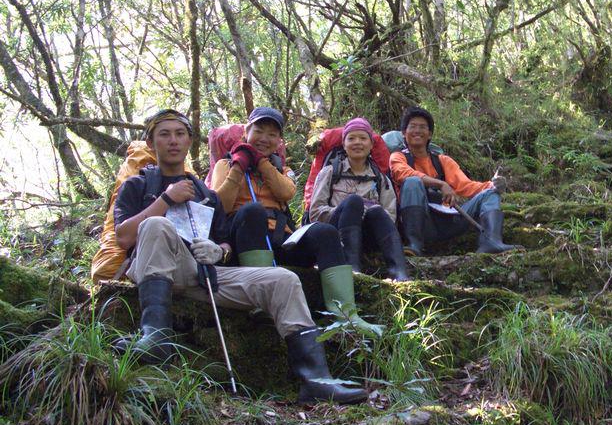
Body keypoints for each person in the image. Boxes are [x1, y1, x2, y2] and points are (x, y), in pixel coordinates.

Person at [114, 108, 367, 404]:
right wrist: (166, 199)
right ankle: (155, 335)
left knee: (283, 280)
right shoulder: (138, 185)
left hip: (202, 275)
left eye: (180, 134)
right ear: (151, 142)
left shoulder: (204, 193)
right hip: (155, 270)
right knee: (156, 225)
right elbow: (124, 237)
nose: (173, 141)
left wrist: (219, 251)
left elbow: (224, 241)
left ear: (189, 141)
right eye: (164, 135)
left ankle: (316, 379)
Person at [209, 107, 382, 336]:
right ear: (246, 131)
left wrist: (261, 163)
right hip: (245, 239)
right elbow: (220, 205)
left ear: (279, 141)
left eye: (272, 134)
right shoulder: (225, 165)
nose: (264, 138)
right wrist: (239, 167)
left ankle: (346, 315)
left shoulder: (282, 169)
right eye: (259, 131)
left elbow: (286, 192)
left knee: (325, 232)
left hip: (280, 238)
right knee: (253, 211)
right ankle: (262, 298)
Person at [390, 106, 519, 256]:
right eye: (412, 126)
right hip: (424, 224)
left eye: (423, 127)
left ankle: (492, 242)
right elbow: (402, 174)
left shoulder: (443, 161)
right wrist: (441, 184)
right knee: (412, 182)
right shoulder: (398, 157)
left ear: (429, 134)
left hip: (449, 220)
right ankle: (414, 244)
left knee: (490, 193)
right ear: (403, 133)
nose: (417, 131)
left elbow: (466, 186)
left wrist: (493, 185)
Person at [308, 117, 409, 281]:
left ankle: (400, 274)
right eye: (351, 138)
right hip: (336, 235)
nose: (357, 143)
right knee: (353, 202)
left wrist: (365, 213)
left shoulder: (380, 178)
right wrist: (348, 211)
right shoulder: (329, 173)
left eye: (363, 138)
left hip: (368, 236)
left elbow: (390, 216)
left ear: (371, 144)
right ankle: (352, 269)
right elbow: (315, 213)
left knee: (377, 211)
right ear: (344, 144)